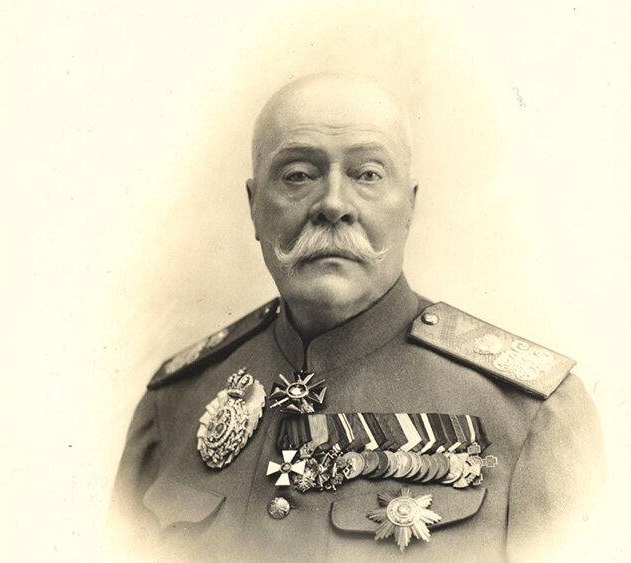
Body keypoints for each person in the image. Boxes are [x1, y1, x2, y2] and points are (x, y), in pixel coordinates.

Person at [110, 74, 605, 562]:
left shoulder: (532, 416)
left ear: (409, 206)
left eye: (367, 174)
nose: (332, 204)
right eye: (298, 175)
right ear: (254, 206)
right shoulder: (174, 404)